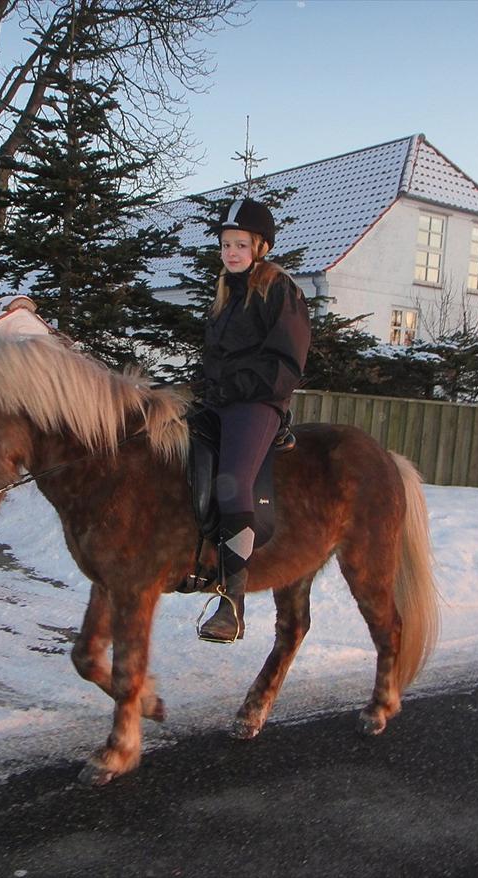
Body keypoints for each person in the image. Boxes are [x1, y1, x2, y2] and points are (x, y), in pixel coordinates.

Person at [198, 197, 311, 643]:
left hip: (259, 403)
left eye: (240, 244)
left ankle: (232, 604)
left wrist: (240, 388)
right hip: (221, 400)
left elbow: (287, 359)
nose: (231, 252)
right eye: (226, 244)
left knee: (232, 481)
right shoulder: (225, 292)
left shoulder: (279, 289)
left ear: (260, 246)